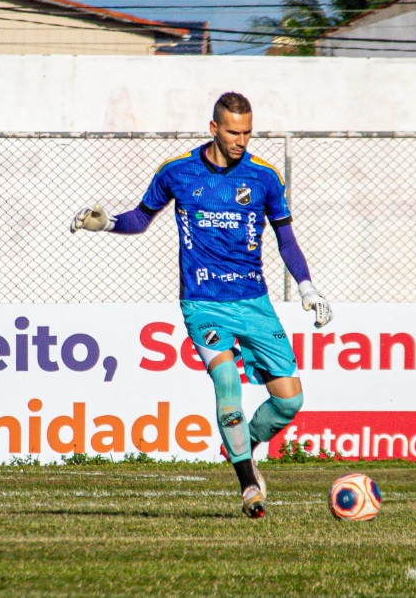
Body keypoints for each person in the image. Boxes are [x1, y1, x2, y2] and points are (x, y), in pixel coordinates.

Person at [69, 92, 332, 519]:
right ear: (214, 128)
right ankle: (248, 484)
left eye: (247, 132)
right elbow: (141, 218)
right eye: (232, 131)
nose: (241, 140)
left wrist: (307, 288)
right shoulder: (178, 172)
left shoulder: (264, 177)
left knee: (288, 402)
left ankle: (244, 443)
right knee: (226, 382)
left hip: (253, 301)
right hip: (202, 302)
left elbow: (285, 237)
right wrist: (108, 224)